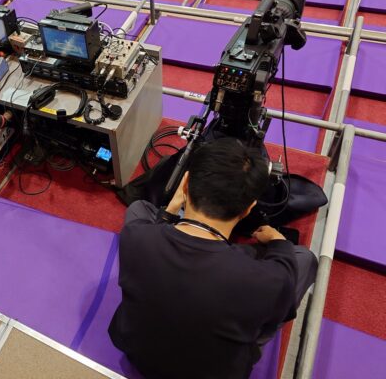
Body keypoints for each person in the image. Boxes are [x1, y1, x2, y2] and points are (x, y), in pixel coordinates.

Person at [108, 138, 318, 379]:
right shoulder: (267, 279)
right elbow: (284, 269)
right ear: (249, 208)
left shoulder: (135, 236)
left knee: (140, 209)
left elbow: (147, 221)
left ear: (185, 184)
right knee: (304, 259)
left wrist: (169, 212)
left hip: (137, 353)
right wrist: (278, 242)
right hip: (217, 372)